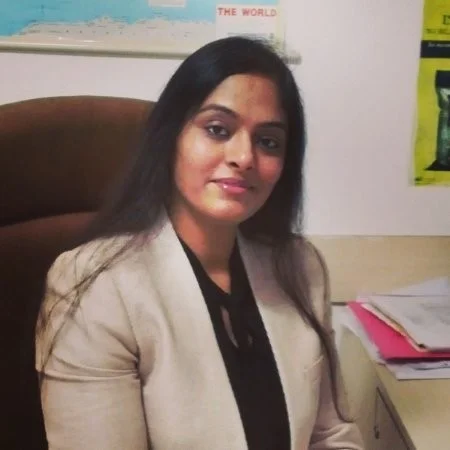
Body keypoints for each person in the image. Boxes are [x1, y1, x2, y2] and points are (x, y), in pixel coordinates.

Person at [36, 36, 364, 450]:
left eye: (268, 141)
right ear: (170, 136)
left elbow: (331, 434)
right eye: (217, 129)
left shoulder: (299, 265)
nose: (244, 156)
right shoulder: (96, 286)